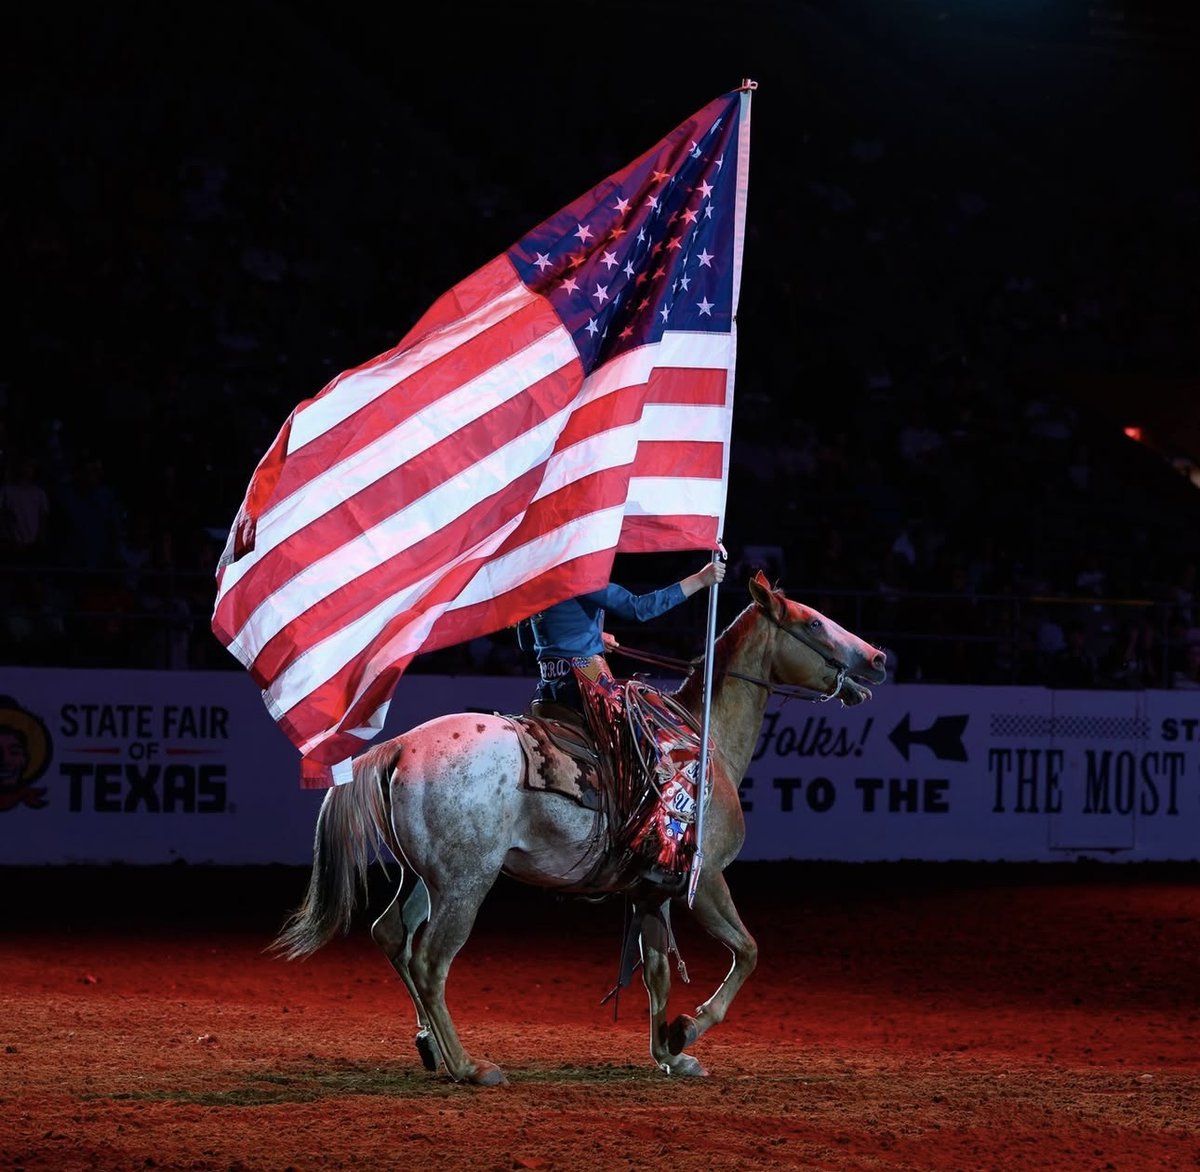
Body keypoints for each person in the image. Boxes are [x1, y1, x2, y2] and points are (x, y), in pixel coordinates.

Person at [519, 558, 726, 717]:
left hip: (548, 686)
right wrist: (699, 580)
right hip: (585, 679)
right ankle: (661, 771)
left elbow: (527, 641)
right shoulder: (580, 580)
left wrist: (591, 636)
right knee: (646, 714)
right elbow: (639, 609)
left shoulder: (535, 581)